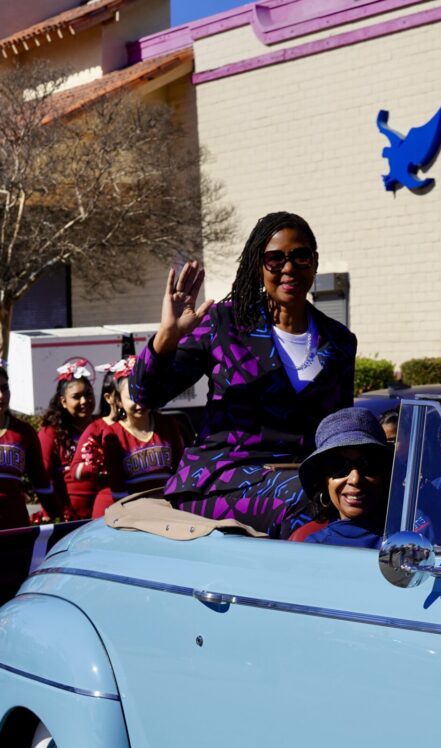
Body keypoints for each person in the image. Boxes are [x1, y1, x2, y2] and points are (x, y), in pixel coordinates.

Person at [130, 211, 357, 535]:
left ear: (315, 261)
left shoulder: (339, 342)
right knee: (311, 500)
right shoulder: (224, 323)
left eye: (300, 256)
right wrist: (166, 337)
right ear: (258, 266)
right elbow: (145, 396)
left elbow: (340, 430)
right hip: (220, 480)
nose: (288, 268)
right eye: (275, 259)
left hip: (300, 478)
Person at [298, 408, 391, 548]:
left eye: (368, 465)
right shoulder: (313, 548)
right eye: (338, 467)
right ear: (324, 481)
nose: (355, 479)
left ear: (385, 474)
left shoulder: (410, 539)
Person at [101, 357, 184, 507]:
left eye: (143, 394)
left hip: (170, 508)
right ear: (119, 401)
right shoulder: (112, 434)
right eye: (132, 397)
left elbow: (181, 470)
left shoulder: (168, 424)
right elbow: (117, 486)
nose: (140, 403)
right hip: (135, 513)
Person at [0, 364, 59, 529]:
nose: (1, 396)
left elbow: (40, 480)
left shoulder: (23, 432)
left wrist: (58, 518)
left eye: (4, 388)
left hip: (14, 523)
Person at [37, 358, 97, 520]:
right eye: (76, 397)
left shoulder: (101, 427)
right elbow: (42, 475)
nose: (84, 401)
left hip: (101, 515)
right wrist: (52, 513)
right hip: (66, 519)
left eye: (88, 394)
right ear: (63, 402)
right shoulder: (51, 432)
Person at [72, 360, 125, 518]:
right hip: (108, 507)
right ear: (109, 398)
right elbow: (75, 471)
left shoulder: (143, 427)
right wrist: (97, 463)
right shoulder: (96, 428)